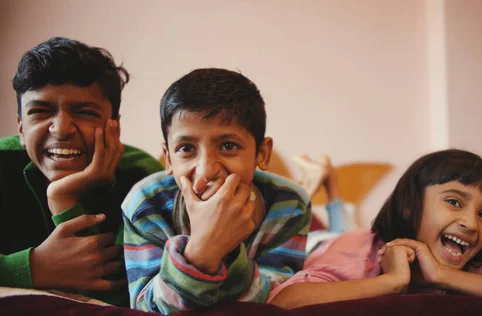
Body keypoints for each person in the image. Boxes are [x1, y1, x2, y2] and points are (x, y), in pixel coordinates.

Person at [269, 149, 482, 316]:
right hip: (324, 244)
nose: (471, 223)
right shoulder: (360, 249)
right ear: (409, 206)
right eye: (454, 202)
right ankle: (321, 185)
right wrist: (391, 282)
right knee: (325, 227)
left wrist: (442, 275)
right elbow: (284, 300)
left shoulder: (472, 267)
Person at [122, 68, 311, 314]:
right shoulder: (146, 203)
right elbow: (146, 308)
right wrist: (202, 251)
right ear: (168, 158)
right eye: (186, 148)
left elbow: (275, 299)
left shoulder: (287, 204)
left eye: (228, 146)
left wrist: (225, 248)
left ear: (261, 154)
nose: (206, 170)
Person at [0, 37, 163, 306]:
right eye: (40, 111)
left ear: (114, 126)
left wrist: (65, 197)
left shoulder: (143, 178)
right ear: (20, 127)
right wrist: (33, 268)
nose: (62, 129)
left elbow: (132, 292)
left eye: (85, 112)